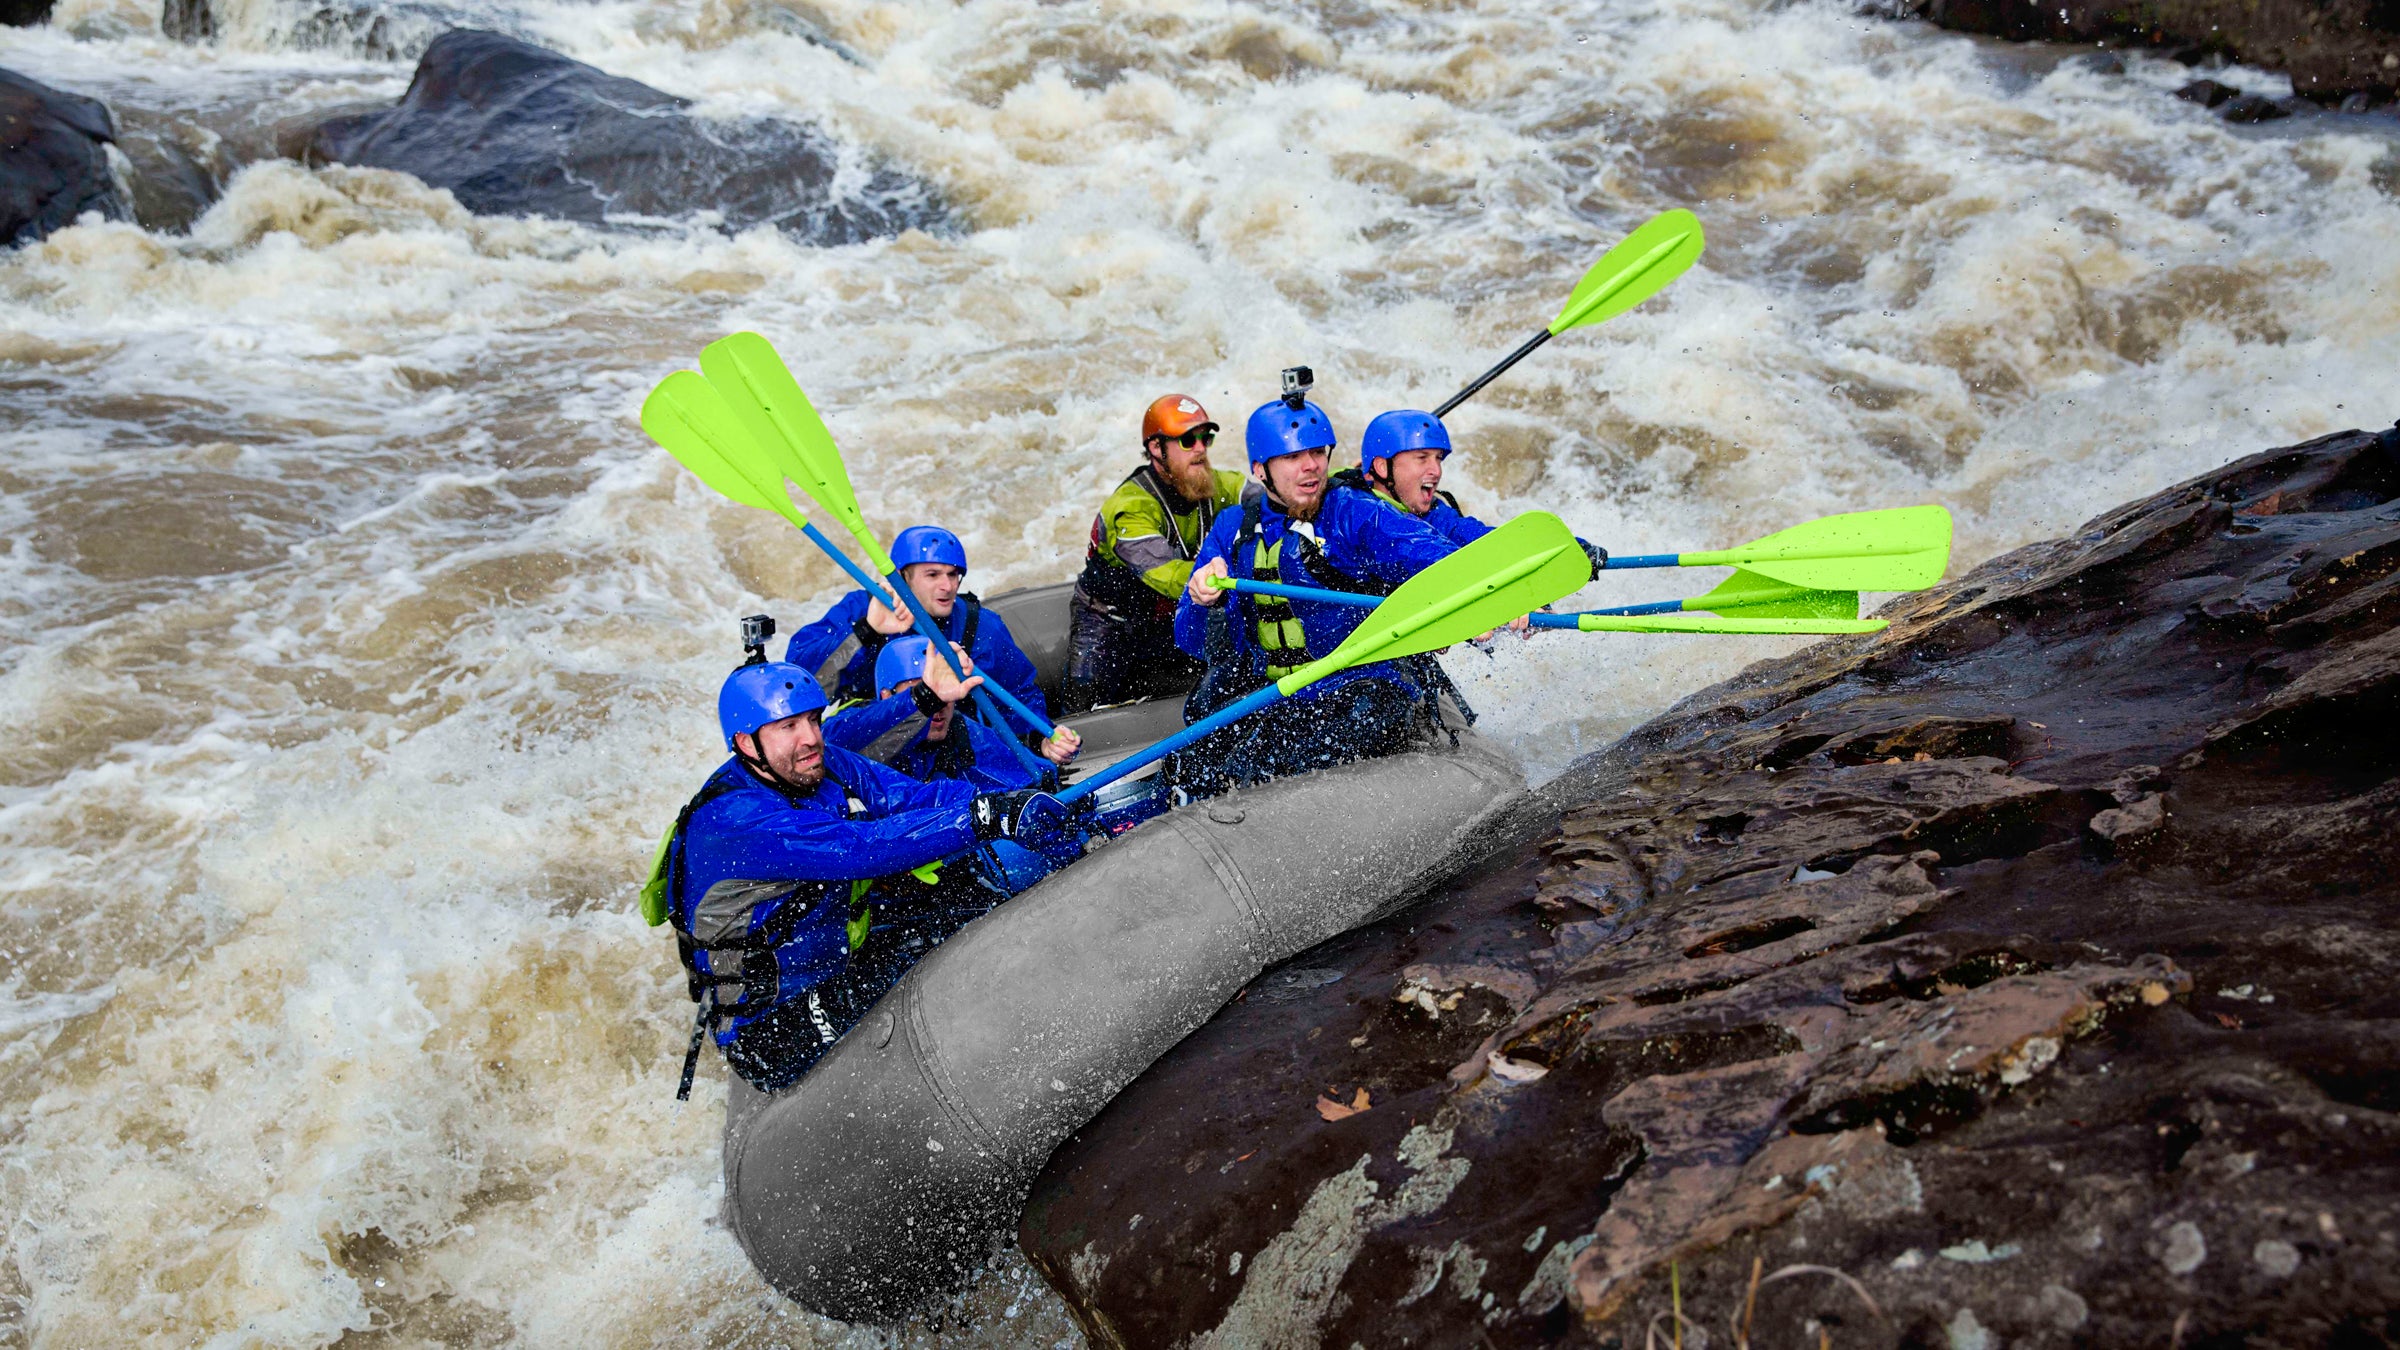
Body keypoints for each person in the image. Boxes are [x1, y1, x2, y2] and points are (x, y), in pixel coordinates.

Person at [654, 660, 1049, 1098]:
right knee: (921, 952)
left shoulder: (819, 766)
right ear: (747, 743)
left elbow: (910, 799)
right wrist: (984, 818)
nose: (810, 738)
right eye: (788, 727)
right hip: (768, 1027)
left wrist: (1014, 799)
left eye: (812, 720)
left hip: (833, 964)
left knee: (965, 909)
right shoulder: (733, 821)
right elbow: (860, 848)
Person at [1170, 394, 1508, 791]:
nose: (1311, 465)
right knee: (1191, 762)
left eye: (1317, 453)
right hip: (1279, 696)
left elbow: (1437, 559)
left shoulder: (1354, 512)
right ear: (1261, 469)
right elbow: (1190, 641)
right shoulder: (1232, 528)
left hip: (1362, 691)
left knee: (1292, 758)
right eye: (1292, 457)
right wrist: (1202, 601)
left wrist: (1490, 600)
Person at [1061, 395, 1258, 714]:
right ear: (1156, 448)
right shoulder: (1131, 507)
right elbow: (1166, 575)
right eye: (1188, 440)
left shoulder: (1220, 485)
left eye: (1205, 438)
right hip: (1109, 621)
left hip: (1166, 619)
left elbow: (1275, 495)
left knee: (1228, 679)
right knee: (1082, 707)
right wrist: (1235, 577)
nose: (1200, 448)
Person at [784, 525, 1051, 737]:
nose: (947, 586)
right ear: (902, 577)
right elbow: (799, 682)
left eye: (953, 574)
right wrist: (866, 631)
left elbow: (1020, 695)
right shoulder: (861, 609)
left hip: (952, 747)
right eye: (933, 575)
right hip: (876, 744)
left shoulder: (981, 626)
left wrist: (1039, 741)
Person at [826, 635, 1068, 790]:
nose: (940, 703)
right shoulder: (858, 728)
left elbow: (1033, 776)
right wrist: (924, 697)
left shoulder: (964, 732)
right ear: (887, 696)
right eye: (924, 689)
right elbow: (828, 744)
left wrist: (1043, 749)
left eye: (943, 691)